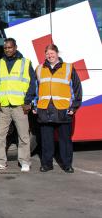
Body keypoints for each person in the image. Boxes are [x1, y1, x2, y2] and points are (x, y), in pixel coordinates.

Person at [33, 44, 82, 173]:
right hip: (45, 110)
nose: (50, 56)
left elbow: (77, 88)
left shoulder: (68, 68)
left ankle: (67, 165)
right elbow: (34, 89)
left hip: (63, 109)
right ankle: (47, 164)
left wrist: (74, 106)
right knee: (46, 140)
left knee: (65, 141)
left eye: (52, 53)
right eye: (47, 54)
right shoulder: (39, 69)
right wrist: (34, 105)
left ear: (57, 53)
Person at [0, 38, 36, 172]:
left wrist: (28, 101)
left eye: (10, 47)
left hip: (20, 106)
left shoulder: (25, 63)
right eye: (5, 48)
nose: (7, 50)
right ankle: (0, 162)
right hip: (3, 106)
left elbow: (32, 84)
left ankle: (25, 162)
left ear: (15, 47)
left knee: (23, 135)